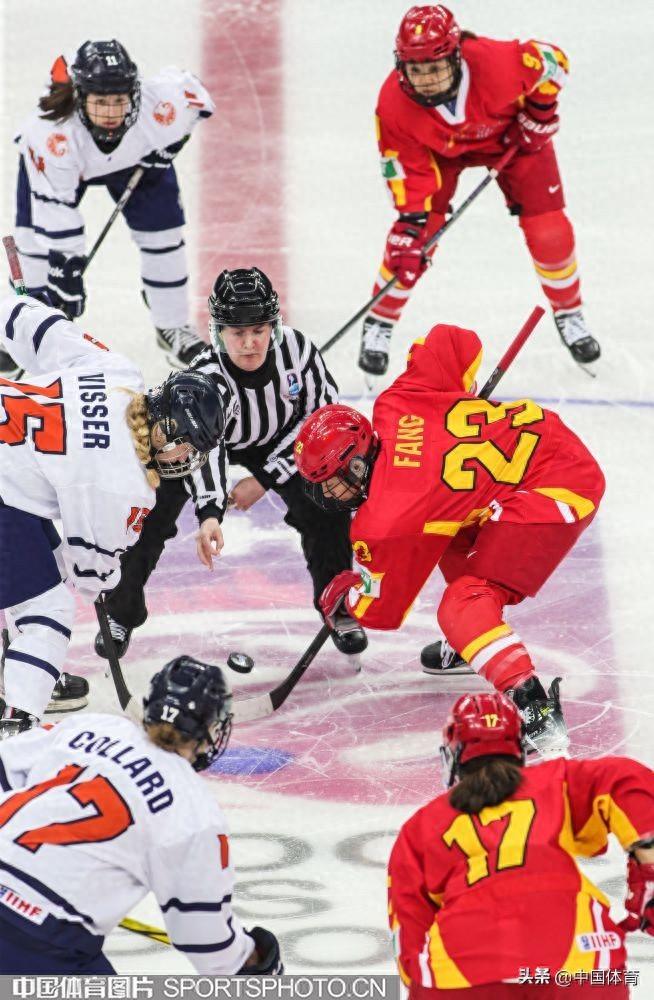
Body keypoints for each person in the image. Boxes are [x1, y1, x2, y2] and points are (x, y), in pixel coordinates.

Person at [294, 322, 605, 754]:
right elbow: (451, 341)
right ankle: (473, 641)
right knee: (447, 524)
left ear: (359, 465)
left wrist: (344, 595)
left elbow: (381, 612)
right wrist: (461, 399)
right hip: (543, 444)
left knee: (462, 603)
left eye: (332, 481)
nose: (328, 494)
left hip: (559, 487)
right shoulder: (396, 402)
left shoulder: (386, 518)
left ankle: (535, 708)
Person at [94, 266, 367, 663]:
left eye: (259, 330)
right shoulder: (206, 377)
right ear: (218, 332)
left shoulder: (299, 350)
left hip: (284, 440)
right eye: (238, 332)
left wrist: (264, 478)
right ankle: (121, 610)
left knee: (327, 502)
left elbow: (320, 420)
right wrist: (210, 512)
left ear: (273, 326)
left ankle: (336, 603)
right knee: (150, 508)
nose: (250, 342)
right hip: (211, 440)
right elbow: (205, 447)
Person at [0, 292, 224, 738]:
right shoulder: (126, 485)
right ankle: (18, 724)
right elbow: (91, 573)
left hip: (10, 473)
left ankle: (17, 669)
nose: (186, 459)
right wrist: (106, 577)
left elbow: (36, 325)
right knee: (48, 607)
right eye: (187, 446)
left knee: (38, 564)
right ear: (166, 429)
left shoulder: (118, 372)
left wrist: (17, 308)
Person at [0, 655, 283, 975]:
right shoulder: (193, 809)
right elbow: (205, 939)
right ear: (210, 728)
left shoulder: (90, 726)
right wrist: (251, 961)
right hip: (41, 940)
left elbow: (4, 766)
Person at [358, 5, 599, 377]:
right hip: (438, 155)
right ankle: (380, 320)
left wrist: (539, 113)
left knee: (549, 231)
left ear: (456, 57)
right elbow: (406, 170)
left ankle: (569, 312)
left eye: (435, 68)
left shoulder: (497, 63)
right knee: (411, 242)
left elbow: (555, 62)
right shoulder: (393, 104)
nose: (426, 81)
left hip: (510, 141)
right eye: (416, 70)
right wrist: (411, 224)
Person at [387, 691, 654, 998]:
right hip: (576, 967)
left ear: (454, 753)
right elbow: (627, 779)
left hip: (459, 979)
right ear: (518, 748)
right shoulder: (556, 780)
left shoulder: (421, 826)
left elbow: (408, 934)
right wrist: (648, 868)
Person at [0, 39, 214, 377]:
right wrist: (66, 272)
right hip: (61, 171)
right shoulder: (51, 133)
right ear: (80, 97)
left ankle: (172, 326)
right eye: (101, 102)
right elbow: (56, 214)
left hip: (136, 162)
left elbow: (197, 98)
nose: (112, 113)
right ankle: (20, 332)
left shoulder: (158, 105)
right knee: (33, 244)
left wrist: (169, 147)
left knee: (164, 238)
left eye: (119, 100)